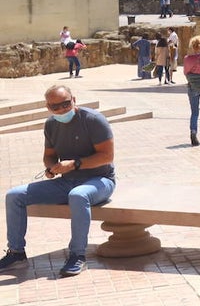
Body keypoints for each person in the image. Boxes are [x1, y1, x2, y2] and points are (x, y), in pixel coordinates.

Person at [0, 85, 116, 277]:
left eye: (65, 104)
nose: (62, 109)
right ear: (48, 107)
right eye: (56, 107)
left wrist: (74, 164)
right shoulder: (51, 125)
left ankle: (78, 255)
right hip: (67, 181)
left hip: (100, 180)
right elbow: (49, 155)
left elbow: (106, 156)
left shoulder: (94, 120)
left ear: (74, 100)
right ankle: (16, 253)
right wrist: (51, 167)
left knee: (78, 195)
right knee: (14, 195)